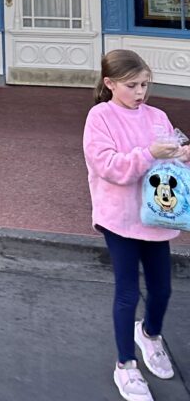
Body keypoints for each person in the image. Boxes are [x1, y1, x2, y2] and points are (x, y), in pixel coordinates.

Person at [83, 49, 190, 401]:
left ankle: (149, 334)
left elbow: (174, 165)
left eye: (144, 84)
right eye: (131, 85)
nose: (140, 92)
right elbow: (107, 166)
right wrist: (149, 154)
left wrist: (184, 155)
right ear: (110, 83)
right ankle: (125, 365)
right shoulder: (100, 116)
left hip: (157, 216)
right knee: (127, 292)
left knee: (162, 290)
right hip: (119, 218)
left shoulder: (158, 116)